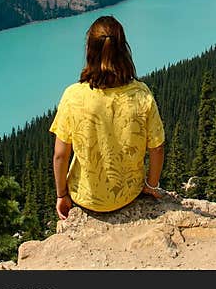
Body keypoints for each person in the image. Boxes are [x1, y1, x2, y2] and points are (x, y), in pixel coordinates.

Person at [49, 15, 166, 220]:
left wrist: (62, 195)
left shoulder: (73, 96)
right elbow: (157, 148)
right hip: (130, 194)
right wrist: (151, 184)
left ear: (89, 51)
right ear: (124, 51)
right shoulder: (141, 94)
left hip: (85, 197)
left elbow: (60, 155)